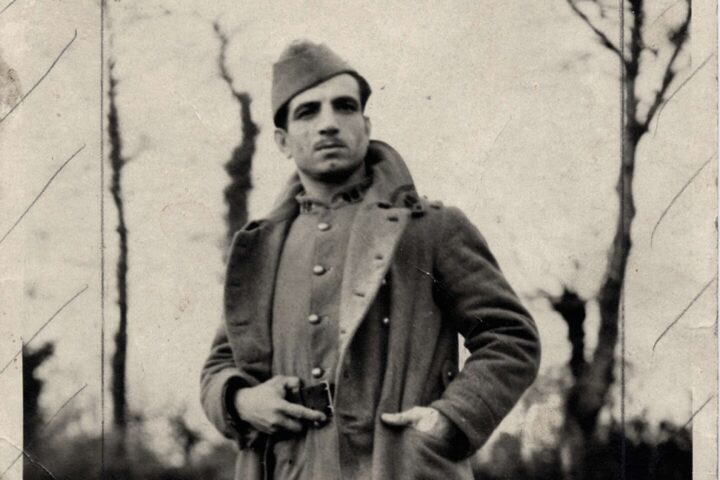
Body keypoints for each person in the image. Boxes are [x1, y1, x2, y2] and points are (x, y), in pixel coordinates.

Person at [200, 40, 541, 480]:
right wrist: (241, 402)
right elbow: (219, 366)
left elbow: (510, 335)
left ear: (366, 124)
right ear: (283, 141)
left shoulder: (431, 228)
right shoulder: (261, 249)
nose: (328, 124)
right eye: (308, 112)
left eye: (344, 107)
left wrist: (449, 421)